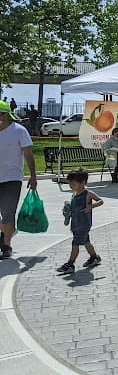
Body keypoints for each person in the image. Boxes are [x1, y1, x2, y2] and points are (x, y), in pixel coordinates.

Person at [0, 100, 36, 259]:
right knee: (6, 217)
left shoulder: (19, 131)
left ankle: (6, 246)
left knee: (8, 213)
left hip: (12, 178)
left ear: (6, 115)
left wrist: (33, 176)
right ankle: (7, 231)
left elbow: (28, 154)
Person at [57, 169, 103, 274]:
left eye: (73, 184)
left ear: (83, 182)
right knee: (86, 242)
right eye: (69, 184)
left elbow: (100, 201)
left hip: (83, 224)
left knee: (75, 244)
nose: (71, 186)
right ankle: (94, 257)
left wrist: (91, 207)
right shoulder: (74, 194)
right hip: (76, 223)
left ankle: (70, 264)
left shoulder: (88, 194)